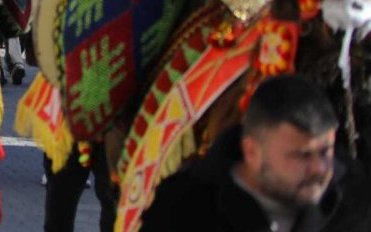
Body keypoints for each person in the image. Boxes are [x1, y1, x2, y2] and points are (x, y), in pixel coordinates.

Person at [140, 74, 371, 231]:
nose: (320, 169)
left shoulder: (354, 198)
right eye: (302, 156)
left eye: (325, 152)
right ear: (252, 152)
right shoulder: (182, 208)